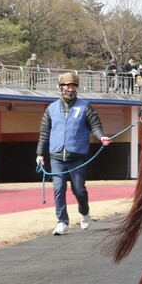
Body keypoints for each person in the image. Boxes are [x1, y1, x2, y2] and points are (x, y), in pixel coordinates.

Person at [36, 72, 112, 235]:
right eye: (67, 86)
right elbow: (44, 132)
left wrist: (102, 137)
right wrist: (40, 154)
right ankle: (62, 222)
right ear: (61, 87)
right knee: (58, 188)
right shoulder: (51, 109)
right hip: (56, 156)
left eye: (73, 86)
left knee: (79, 190)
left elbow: (95, 126)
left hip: (77, 156)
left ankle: (84, 213)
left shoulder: (85, 107)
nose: (70, 89)